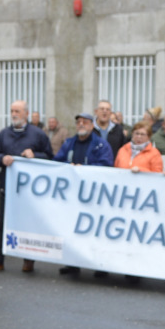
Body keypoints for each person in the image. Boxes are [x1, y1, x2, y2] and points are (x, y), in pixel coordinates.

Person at [0, 100, 52, 273]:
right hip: (8, 187)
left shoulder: (38, 134)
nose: (14, 114)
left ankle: (29, 260)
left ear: (26, 114)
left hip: (30, 191)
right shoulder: (3, 134)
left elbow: (50, 157)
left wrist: (34, 155)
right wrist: (2, 159)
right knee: (3, 223)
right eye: (12, 111)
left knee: (28, 223)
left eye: (17, 111)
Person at [55, 112, 113, 276]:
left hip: (94, 196)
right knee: (72, 229)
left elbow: (107, 165)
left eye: (85, 122)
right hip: (73, 196)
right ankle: (72, 263)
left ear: (92, 125)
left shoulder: (101, 145)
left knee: (95, 231)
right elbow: (57, 161)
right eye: (78, 122)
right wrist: (70, 166)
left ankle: (100, 266)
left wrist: (85, 169)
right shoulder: (69, 143)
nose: (81, 125)